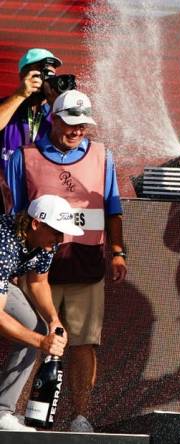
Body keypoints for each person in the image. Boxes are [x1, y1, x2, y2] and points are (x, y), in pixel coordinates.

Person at [4, 89, 127, 432]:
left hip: (85, 266)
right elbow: (15, 214)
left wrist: (118, 252)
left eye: (83, 125)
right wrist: (14, 266)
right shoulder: (23, 157)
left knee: (83, 342)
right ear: (53, 120)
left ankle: (80, 417)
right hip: (34, 270)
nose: (77, 131)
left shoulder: (103, 156)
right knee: (32, 335)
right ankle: (14, 414)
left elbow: (113, 208)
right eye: (70, 123)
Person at [0, 195, 79, 431]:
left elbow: (38, 281)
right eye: (56, 232)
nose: (60, 239)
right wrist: (41, 342)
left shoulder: (45, 242)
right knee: (36, 336)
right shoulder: (4, 244)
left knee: (36, 329)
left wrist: (54, 320)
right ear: (36, 224)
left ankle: (1, 411)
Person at [0, 49, 63, 174]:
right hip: (5, 190)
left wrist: (59, 105)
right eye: (41, 73)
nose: (45, 79)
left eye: (50, 75)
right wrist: (20, 95)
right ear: (23, 75)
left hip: (41, 190)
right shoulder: (5, 105)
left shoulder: (57, 112)